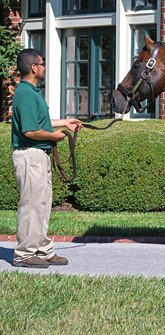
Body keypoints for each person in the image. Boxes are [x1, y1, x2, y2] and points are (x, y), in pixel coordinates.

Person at [11, 48, 82, 268]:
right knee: (32, 205)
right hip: (30, 154)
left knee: (42, 205)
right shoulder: (25, 93)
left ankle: (41, 249)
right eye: (42, 64)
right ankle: (24, 253)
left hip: (39, 155)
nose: (44, 68)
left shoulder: (32, 92)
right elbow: (31, 131)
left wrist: (64, 123)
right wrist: (54, 136)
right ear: (34, 67)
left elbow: (39, 122)